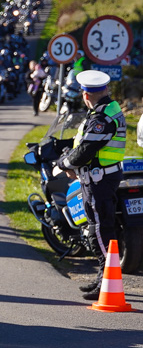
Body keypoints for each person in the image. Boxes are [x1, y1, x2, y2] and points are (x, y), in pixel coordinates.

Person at [55, 70, 126, 300]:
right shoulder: (106, 110)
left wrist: (64, 162)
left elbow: (86, 150)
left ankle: (107, 279)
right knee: (99, 227)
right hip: (100, 177)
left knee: (99, 230)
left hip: (99, 179)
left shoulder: (102, 118)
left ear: (86, 94)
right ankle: (103, 276)